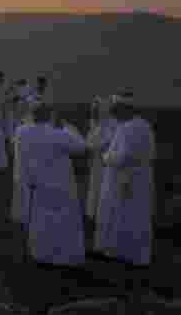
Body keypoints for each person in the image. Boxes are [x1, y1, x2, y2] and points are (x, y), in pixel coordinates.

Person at [17, 102, 86, 266]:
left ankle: (40, 253)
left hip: (36, 185)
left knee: (40, 223)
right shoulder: (58, 134)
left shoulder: (23, 133)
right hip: (59, 186)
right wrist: (67, 128)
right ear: (50, 116)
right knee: (60, 223)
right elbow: (81, 146)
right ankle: (60, 257)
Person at [96, 92, 155, 266]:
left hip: (123, 179)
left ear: (124, 109)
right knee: (139, 217)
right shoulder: (146, 126)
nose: (114, 113)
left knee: (120, 216)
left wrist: (106, 157)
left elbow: (121, 157)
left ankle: (119, 253)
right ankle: (138, 255)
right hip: (143, 178)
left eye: (116, 109)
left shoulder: (125, 128)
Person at [85, 97, 114, 225]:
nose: (94, 111)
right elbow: (90, 139)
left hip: (105, 164)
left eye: (96, 109)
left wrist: (92, 146)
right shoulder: (95, 123)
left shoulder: (110, 124)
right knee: (94, 189)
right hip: (96, 162)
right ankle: (92, 217)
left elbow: (105, 142)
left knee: (102, 190)